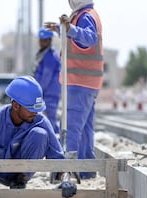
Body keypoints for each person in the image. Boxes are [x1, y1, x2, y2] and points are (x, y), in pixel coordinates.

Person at [46, 0, 103, 179]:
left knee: (71, 127)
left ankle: (68, 169)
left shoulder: (85, 16)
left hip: (80, 82)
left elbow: (89, 38)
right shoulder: (84, 15)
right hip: (87, 82)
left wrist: (69, 29)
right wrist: (61, 29)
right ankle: (86, 170)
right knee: (85, 130)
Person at [33, 28, 61, 134]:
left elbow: (46, 77)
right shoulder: (43, 53)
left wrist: (38, 91)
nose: (42, 42)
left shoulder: (50, 55)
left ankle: (54, 142)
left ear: (50, 40)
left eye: (44, 40)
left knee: (50, 117)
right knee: (48, 118)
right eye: (41, 39)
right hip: (46, 91)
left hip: (50, 92)